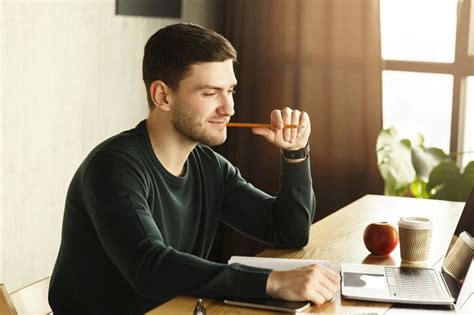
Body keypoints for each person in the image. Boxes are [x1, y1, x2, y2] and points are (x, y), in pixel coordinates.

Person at [48, 22, 340, 314]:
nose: (229, 108)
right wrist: (272, 282)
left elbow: (288, 232)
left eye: (231, 91)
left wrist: (295, 154)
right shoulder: (113, 167)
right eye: (211, 93)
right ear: (162, 96)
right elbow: (149, 267)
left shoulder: (208, 166)